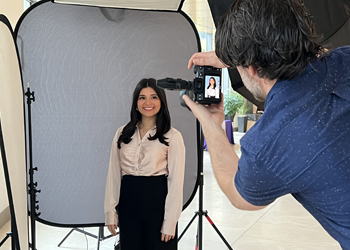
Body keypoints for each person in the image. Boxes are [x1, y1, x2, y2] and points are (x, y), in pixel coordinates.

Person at [182, 0, 350, 249]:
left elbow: (240, 196)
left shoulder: (270, 141)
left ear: (249, 67)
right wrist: (242, 54)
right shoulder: (344, 57)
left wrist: (210, 122)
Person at [104, 78, 185, 250]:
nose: (148, 102)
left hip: (157, 206)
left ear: (161, 102)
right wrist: (110, 211)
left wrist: (170, 221)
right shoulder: (122, 133)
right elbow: (114, 173)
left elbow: (176, 181)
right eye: (142, 97)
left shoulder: (172, 136)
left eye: (154, 97)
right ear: (135, 103)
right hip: (128, 206)